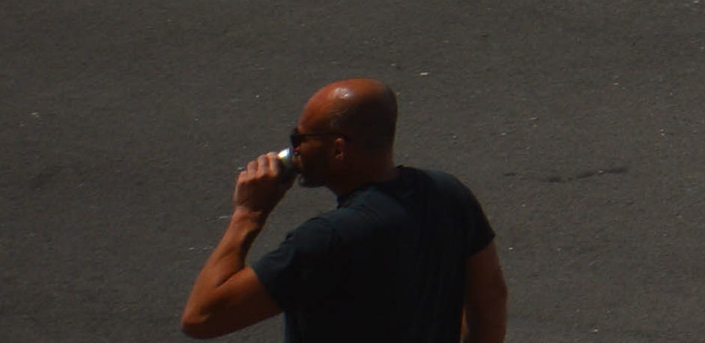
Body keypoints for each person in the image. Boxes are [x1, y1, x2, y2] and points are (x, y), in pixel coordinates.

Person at [180, 74, 504, 341]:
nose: (294, 150)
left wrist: (249, 214)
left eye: (300, 139)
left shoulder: (326, 240)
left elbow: (202, 318)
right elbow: (490, 299)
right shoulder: (448, 193)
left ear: (338, 149)